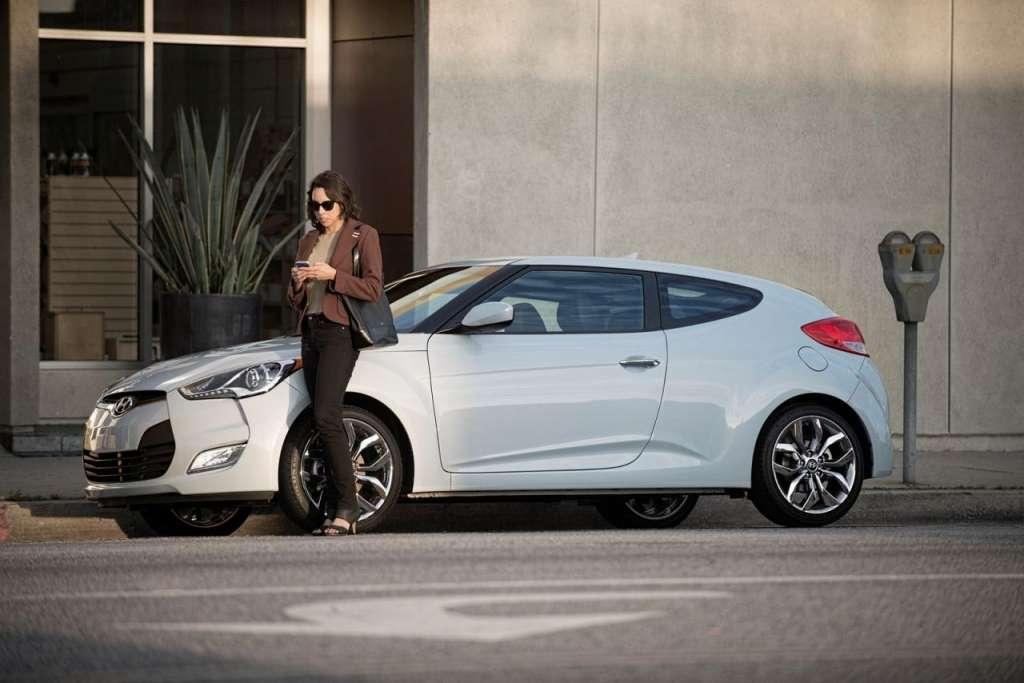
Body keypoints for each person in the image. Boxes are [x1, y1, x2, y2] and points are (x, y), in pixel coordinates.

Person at [288, 171, 383, 536]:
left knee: (327, 415)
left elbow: (373, 288)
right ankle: (333, 507)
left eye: (327, 205)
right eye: (315, 206)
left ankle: (347, 506)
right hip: (311, 332)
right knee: (321, 420)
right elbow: (296, 300)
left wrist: (333, 276)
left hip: (339, 333)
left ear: (342, 202)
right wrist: (298, 283)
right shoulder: (308, 240)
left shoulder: (364, 235)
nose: (321, 212)